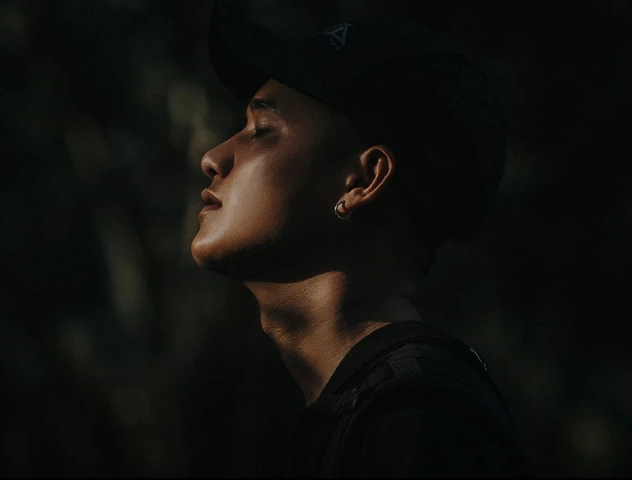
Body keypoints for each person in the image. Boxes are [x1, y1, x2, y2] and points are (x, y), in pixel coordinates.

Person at [191, 1, 533, 477]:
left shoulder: (416, 420)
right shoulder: (377, 418)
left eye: (261, 129)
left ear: (363, 180)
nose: (213, 156)